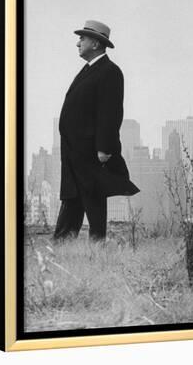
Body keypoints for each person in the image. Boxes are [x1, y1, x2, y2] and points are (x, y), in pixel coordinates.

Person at [53, 20, 139, 242]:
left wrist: (104, 148)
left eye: (82, 38)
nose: (78, 43)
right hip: (74, 151)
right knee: (73, 197)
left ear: (96, 43)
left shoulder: (110, 71)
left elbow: (110, 113)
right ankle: (63, 241)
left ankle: (96, 243)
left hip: (91, 151)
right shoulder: (88, 70)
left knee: (92, 197)